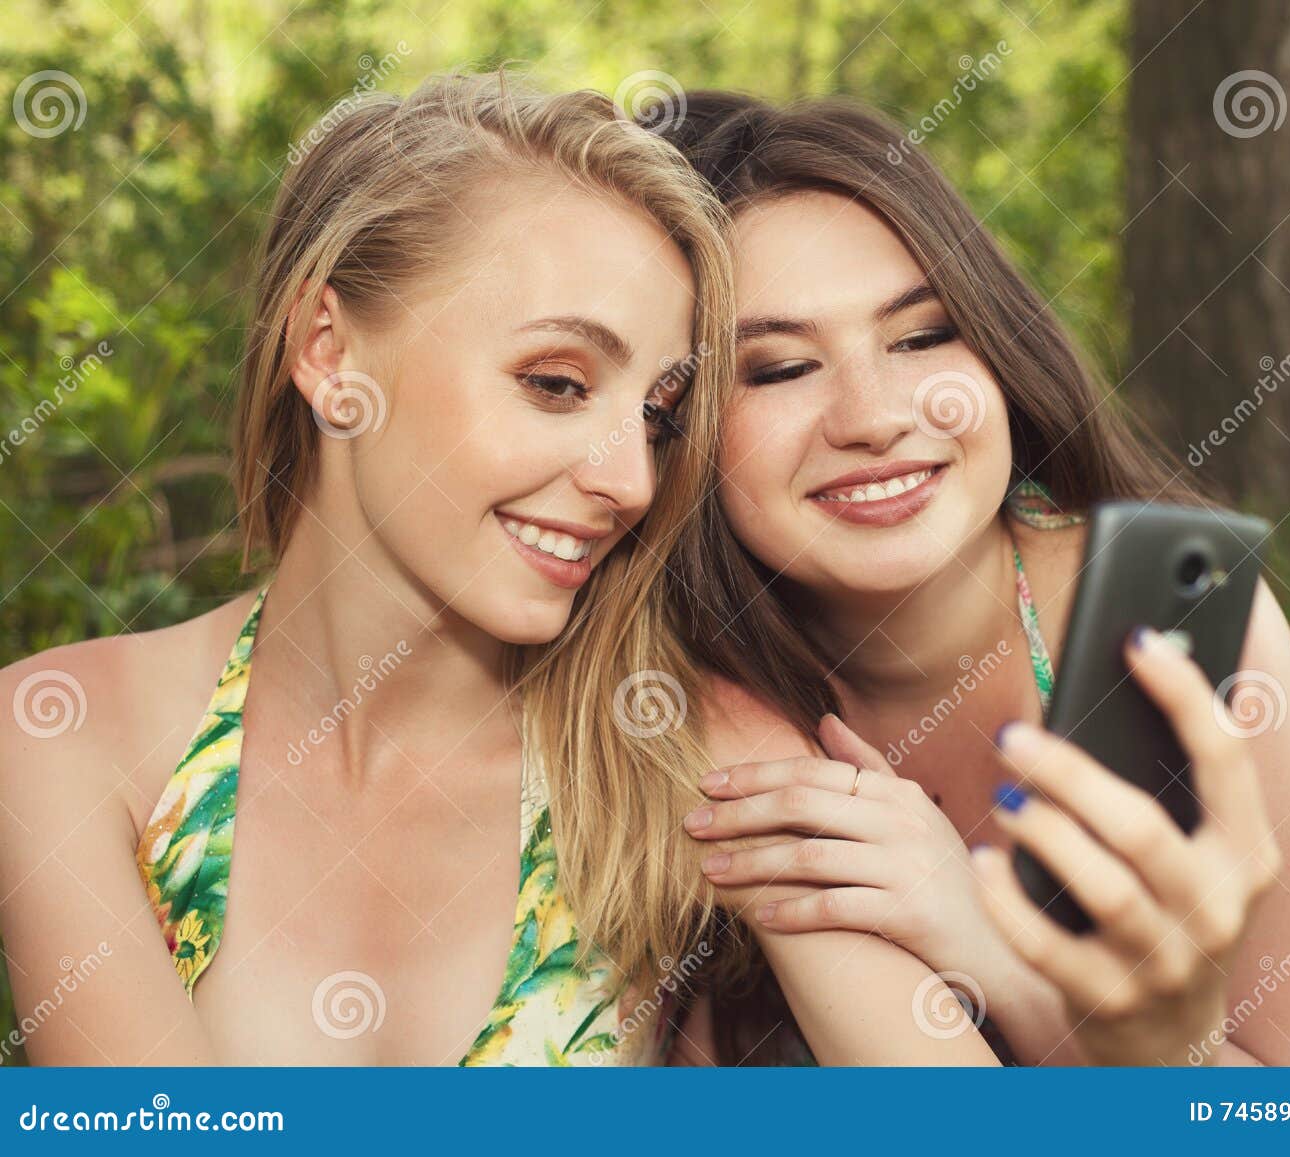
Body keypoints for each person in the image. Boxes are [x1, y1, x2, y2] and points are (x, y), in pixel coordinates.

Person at [0, 73, 998, 1067]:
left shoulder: (689, 748)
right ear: (327, 348)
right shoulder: (64, 731)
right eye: (555, 384)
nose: (630, 481)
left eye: (656, 416)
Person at [652, 92, 1290, 1066]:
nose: (872, 415)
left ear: (996, 346)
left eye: (920, 336)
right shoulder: (665, 676)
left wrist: (987, 946)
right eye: (779, 368)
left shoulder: (1170, 615)